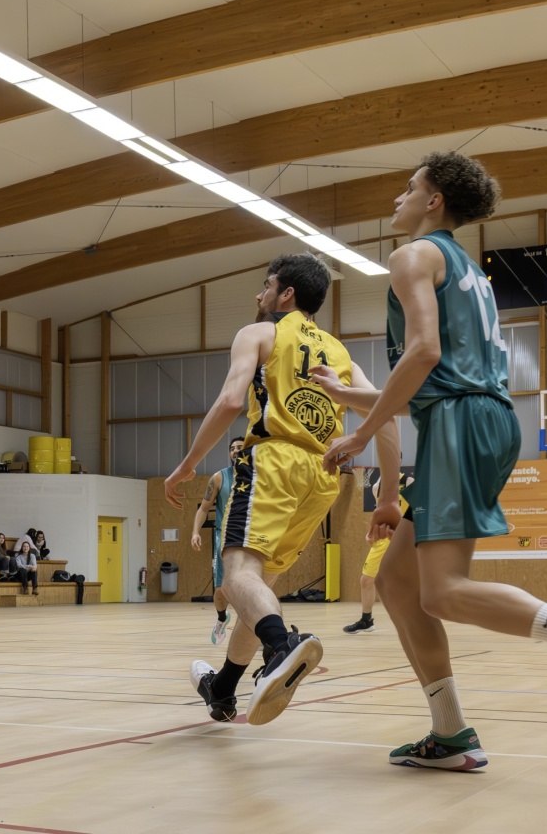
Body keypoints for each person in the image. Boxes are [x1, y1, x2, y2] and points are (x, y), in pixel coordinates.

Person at [311, 152, 547, 767]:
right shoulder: (467, 270)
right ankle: (450, 734)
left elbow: (422, 355)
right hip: (476, 416)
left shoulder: (412, 257)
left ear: (434, 200)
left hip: (459, 423)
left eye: (408, 187)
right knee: (396, 581)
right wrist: (347, 396)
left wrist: (362, 435)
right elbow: (429, 379)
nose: (398, 198)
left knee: (442, 592)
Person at [168, 254, 393, 728]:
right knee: (257, 587)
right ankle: (224, 687)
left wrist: (187, 464)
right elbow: (387, 413)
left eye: (266, 285)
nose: (259, 294)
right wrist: (386, 489)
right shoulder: (341, 354)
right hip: (323, 476)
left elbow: (231, 400)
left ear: (286, 293)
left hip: (273, 461)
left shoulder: (259, 333)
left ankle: (282, 646)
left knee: (236, 577)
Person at [190, 435, 246, 645]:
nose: (236, 450)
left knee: (251, 586)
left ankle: (254, 629)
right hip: (225, 538)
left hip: (251, 538)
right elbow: (204, 509)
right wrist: (195, 532)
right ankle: (222, 617)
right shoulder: (219, 478)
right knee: (221, 589)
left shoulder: (259, 477)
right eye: (232, 448)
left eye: (240, 447)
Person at [12, 532, 39, 596]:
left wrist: (33, 567)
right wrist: (29, 567)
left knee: (34, 571)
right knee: (22, 570)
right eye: (24, 546)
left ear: (29, 548)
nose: (25, 548)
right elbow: (19, 565)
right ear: (22, 548)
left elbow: (34, 565)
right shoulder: (19, 556)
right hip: (20, 575)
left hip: (28, 575)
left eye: (27, 546)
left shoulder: (32, 555)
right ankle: (25, 588)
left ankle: (34, 589)